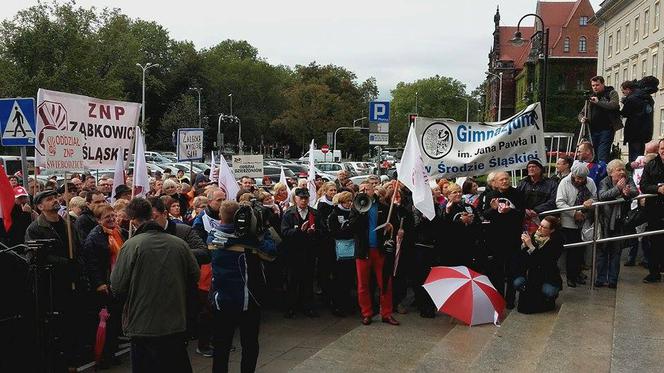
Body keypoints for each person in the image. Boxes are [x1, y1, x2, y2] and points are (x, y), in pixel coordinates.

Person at [110, 198, 199, 373]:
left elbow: (117, 285)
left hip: (143, 323)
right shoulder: (179, 244)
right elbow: (194, 275)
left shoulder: (131, 246)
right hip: (174, 320)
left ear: (133, 220)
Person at [209, 200, 276, 373]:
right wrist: (261, 232)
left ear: (220, 217)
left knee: (221, 346)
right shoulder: (251, 242)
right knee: (249, 344)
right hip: (249, 300)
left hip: (222, 301)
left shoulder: (212, 237)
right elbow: (271, 253)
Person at [25, 190, 83, 369]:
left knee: (73, 323)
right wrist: (65, 263)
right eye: (49, 200)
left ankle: (73, 360)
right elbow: (34, 256)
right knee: (56, 327)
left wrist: (78, 265)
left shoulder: (68, 224)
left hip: (72, 281)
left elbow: (78, 246)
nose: (54, 201)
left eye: (55, 198)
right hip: (51, 285)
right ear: (40, 206)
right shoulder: (35, 228)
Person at [81, 204, 128, 368]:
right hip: (105, 284)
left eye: (113, 216)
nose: (111, 219)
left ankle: (112, 352)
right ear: (98, 220)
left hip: (117, 281)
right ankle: (103, 356)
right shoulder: (94, 238)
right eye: (107, 217)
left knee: (115, 321)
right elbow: (91, 264)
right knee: (105, 322)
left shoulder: (119, 232)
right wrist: (99, 283)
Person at [348, 181, 400, 325]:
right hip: (363, 252)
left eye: (367, 189)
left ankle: (386, 313)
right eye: (362, 189)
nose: (365, 191)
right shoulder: (356, 207)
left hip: (380, 251)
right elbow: (352, 227)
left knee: (385, 283)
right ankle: (366, 313)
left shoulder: (383, 207)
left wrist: (391, 227)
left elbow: (394, 224)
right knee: (363, 284)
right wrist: (360, 212)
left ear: (373, 191)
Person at [481, 171, 525, 308]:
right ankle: (498, 297)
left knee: (512, 270)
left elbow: (522, 214)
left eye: (507, 179)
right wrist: (493, 209)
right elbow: (485, 215)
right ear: (495, 182)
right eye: (501, 180)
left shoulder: (517, 194)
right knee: (497, 271)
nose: (505, 181)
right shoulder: (490, 195)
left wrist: (510, 211)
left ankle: (510, 299)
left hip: (513, 237)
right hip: (496, 239)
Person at [597, 159, 638, 288]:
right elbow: (602, 196)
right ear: (610, 173)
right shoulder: (605, 181)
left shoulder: (628, 179)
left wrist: (627, 193)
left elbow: (635, 191)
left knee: (616, 252)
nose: (622, 172)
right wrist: (618, 189)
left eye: (622, 169)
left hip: (620, 221)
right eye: (618, 170)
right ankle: (600, 278)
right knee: (603, 251)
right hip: (605, 222)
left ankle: (613, 280)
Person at [281, 188, 320, 318]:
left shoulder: (314, 213)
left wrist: (314, 231)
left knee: (307, 281)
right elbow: (284, 232)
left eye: (306, 198)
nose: (303, 201)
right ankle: (290, 307)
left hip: (309, 252)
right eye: (301, 198)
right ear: (295, 199)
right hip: (294, 253)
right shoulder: (289, 213)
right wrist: (299, 231)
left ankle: (307, 306)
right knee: (292, 281)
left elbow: (322, 230)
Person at [555, 163, 597, 287]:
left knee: (581, 250)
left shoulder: (590, 182)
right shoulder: (564, 182)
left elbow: (595, 197)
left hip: (584, 221)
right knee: (572, 251)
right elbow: (560, 202)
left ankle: (578, 273)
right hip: (569, 222)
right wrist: (574, 213)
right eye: (577, 178)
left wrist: (591, 201)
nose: (578, 180)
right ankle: (571, 277)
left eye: (581, 178)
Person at [513, 216, 564, 313]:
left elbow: (544, 261)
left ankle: (550, 299)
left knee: (548, 291)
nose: (539, 228)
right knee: (517, 282)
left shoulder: (556, 242)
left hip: (548, 275)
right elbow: (524, 260)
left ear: (552, 230)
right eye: (540, 225)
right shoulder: (535, 236)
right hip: (533, 274)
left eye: (544, 227)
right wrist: (524, 246)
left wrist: (531, 247)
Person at [327, 191, 358, 317]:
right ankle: (338, 305)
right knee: (339, 279)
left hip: (351, 249)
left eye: (351, 201)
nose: (349, 204)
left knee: (349, 279)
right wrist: (347, 228)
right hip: (338, 251)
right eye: (346, 202)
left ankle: (348, 304)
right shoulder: (334, 214)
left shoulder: (353, 213)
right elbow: (334, 232)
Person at [579, 75, 621, 162]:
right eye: (593, 85)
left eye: (597, 85)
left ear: (603, 84)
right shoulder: (591, 97)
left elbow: (614, 105)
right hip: (593, 130)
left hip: (607, 129)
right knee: (593, 154)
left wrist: (598, 102)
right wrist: (582, 118)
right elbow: (581, 113)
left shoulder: (611, 93)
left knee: (602, 153)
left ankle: (601, 172)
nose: (595, 87)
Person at [639, 138, 664, 283]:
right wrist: (658, 189)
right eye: (662, 148)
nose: (663, 151)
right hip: (655, 210)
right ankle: (654, 272)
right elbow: (643, 185)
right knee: (653, 242)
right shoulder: (651, 165)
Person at [443, 183, 482, 269]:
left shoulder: (468, 206)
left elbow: (478, 223)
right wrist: (460, 221)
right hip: (453, 247)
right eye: (455, 192)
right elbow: (444, 228)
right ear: (448, 195)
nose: (458, 194)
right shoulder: (444, 208)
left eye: (460, 192)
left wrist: (472, 221)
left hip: (469, 244)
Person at [517, 160, 558, 233]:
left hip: (543, 220)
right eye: (529, 167)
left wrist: (536, 210)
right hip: (524, 220)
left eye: (534, 167)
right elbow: (516, 199)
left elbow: (553, 201)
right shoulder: (522, 183)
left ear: (540, 169)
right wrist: (525, 210)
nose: (531, 169)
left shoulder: (551, 184)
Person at [620, 80, 654, 162]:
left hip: (633, 131)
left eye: (623, 91)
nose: (623, 94)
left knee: (634, 157)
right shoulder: (646, 97)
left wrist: (624, 103)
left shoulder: (631, 99)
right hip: (645, 131)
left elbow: (625, 113)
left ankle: (634, 173)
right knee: (640, 155)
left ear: (628, 89)